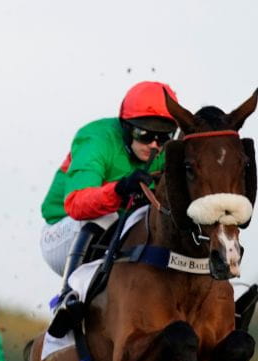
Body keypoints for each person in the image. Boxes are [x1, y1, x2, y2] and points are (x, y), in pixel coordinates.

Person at [40, 81, 178, 337]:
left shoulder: (166, 151)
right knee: (105, 214)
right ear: (125, 128)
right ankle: (67, 300)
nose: (154, 145)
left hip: (118, 233)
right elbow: (76, 203)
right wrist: (119, 190)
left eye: (163, 136)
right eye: (144, 134)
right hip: (63, 231)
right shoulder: (96, 138)